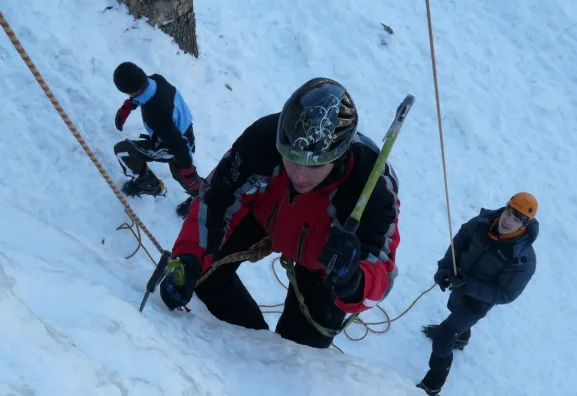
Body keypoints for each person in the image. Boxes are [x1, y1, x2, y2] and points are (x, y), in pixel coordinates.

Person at [158, 77, 401, 349]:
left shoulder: (372, 184)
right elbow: (215, 201)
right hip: (264, 215)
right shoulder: (261, 141)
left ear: (339, 156)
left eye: (315, 165)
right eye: (292, 158)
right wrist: (188, 258)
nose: (299, 175)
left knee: (301, 348)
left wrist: (353, 281)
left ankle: (272, 353)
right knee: (204, 278)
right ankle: (250, 343)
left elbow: (382, 267)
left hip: (326, 259)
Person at [417, 193, 539, 396]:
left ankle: (432, 384)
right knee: (453, 307)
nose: (507, 220)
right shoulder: (484, 222)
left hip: (478, 302)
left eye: (516, 219)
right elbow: (461, 239)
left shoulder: (522, 259)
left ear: (524, 225)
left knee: (443, 339)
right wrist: (446, 268)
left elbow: (506, 294)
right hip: (459, 283)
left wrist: (467, 284)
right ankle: (461, 338)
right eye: (508, 212)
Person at [111, 61, 204, 218]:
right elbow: (143, 91)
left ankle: (149, 185)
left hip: (174, 145)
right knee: (180, 174)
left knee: (123, 151)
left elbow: (179, 145)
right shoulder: (156, 79)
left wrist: (188, 169)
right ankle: (203, 197)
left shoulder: (155, 114)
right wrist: (130, 105)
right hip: (183, 131)